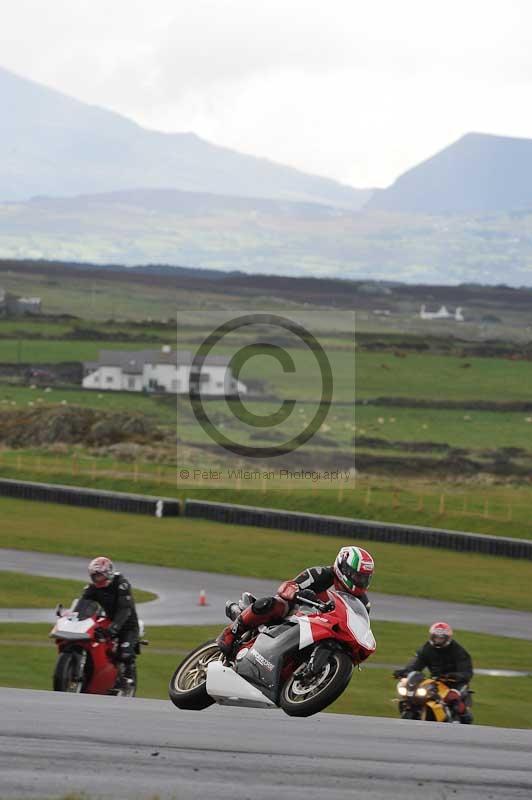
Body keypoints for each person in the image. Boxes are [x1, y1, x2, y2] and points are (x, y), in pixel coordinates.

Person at [216, 545, 374, 656]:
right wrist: (300, 593)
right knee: (276, 604)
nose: (360, 581)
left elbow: (359, 627)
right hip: (296, 615)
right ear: (343, 568)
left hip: (324, 629)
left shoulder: (362, 602)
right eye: (357, 576)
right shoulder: (321, 575)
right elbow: (287, 587)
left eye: (364, 578)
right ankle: (230, 632)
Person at [77, 556, 140, 689]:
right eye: (94, 576)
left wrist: (114, 628)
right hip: (109, 621)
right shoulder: (92, 588)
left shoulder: (121, 584)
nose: (96, 579)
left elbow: (124, 609)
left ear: (108, 573)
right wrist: (74, 617)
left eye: (99, 576)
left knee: (125, 654)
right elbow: (81, 605)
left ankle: (128, 678)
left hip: (128, 625)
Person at [393, 621, 474, 723]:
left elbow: (467, 672)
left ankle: (464, 716)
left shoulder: (458, 651)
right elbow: (416, 664)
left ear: (447, 638)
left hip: (456, 683)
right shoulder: (427, 649)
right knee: (416, 696)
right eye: (436, 637)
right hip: (437, 681)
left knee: (452, 698)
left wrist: (455, 676)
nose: (438, 640)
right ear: (431, 636)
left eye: (441, 638)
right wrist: (405, 672)